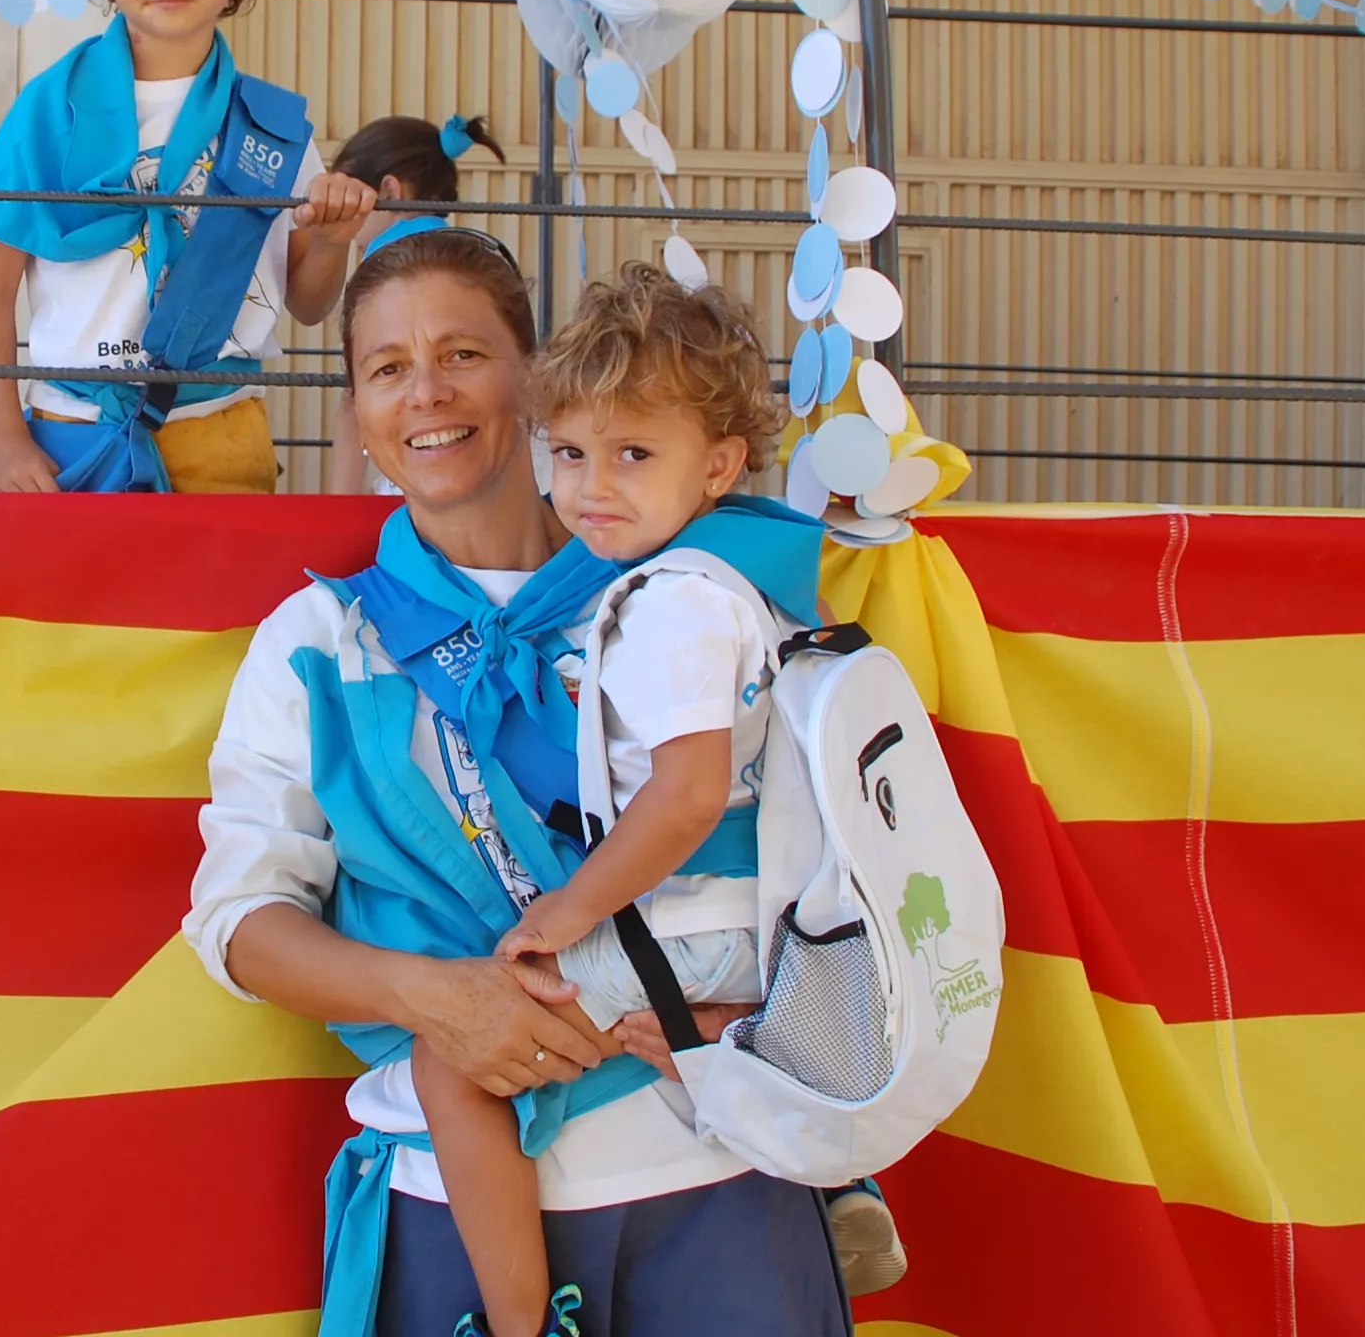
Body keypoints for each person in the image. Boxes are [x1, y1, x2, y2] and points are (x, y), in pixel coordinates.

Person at [184, 228, 852, 1337]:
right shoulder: (319, 641)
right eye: (386, 367)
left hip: (722, 1184)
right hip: (453, 1210)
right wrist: (430, 997)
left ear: (537, 377)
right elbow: (238, 921)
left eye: (462, 351)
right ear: (356, 406)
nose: (426, 393)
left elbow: (825, 851)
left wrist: (770, 1012)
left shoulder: (687, 591)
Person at [409, 263, 887, 1335]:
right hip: (741, 928)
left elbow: (683, 798)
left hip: (684, 923)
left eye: (633, 454)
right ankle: (814, 1144)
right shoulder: (737, 576)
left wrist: (560, 913)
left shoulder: (670, 603)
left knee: (448, 1058)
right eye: (569, 453)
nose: (592, 488)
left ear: (716, 462)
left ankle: (522, 1320)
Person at [0, 0, 374, 495]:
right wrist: (6, 440)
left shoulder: (272, 128)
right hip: (65, 437)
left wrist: (330, 242)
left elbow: (308, 303)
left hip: (223, 436)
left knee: (215, 609)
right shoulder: (50, 107)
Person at [325, 116, 506, 496]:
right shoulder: (476, 253)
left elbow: (351, 403)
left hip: (412, 474)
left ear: (388, 189)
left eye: (349, 198)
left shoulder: (384, 265)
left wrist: (338, 501)